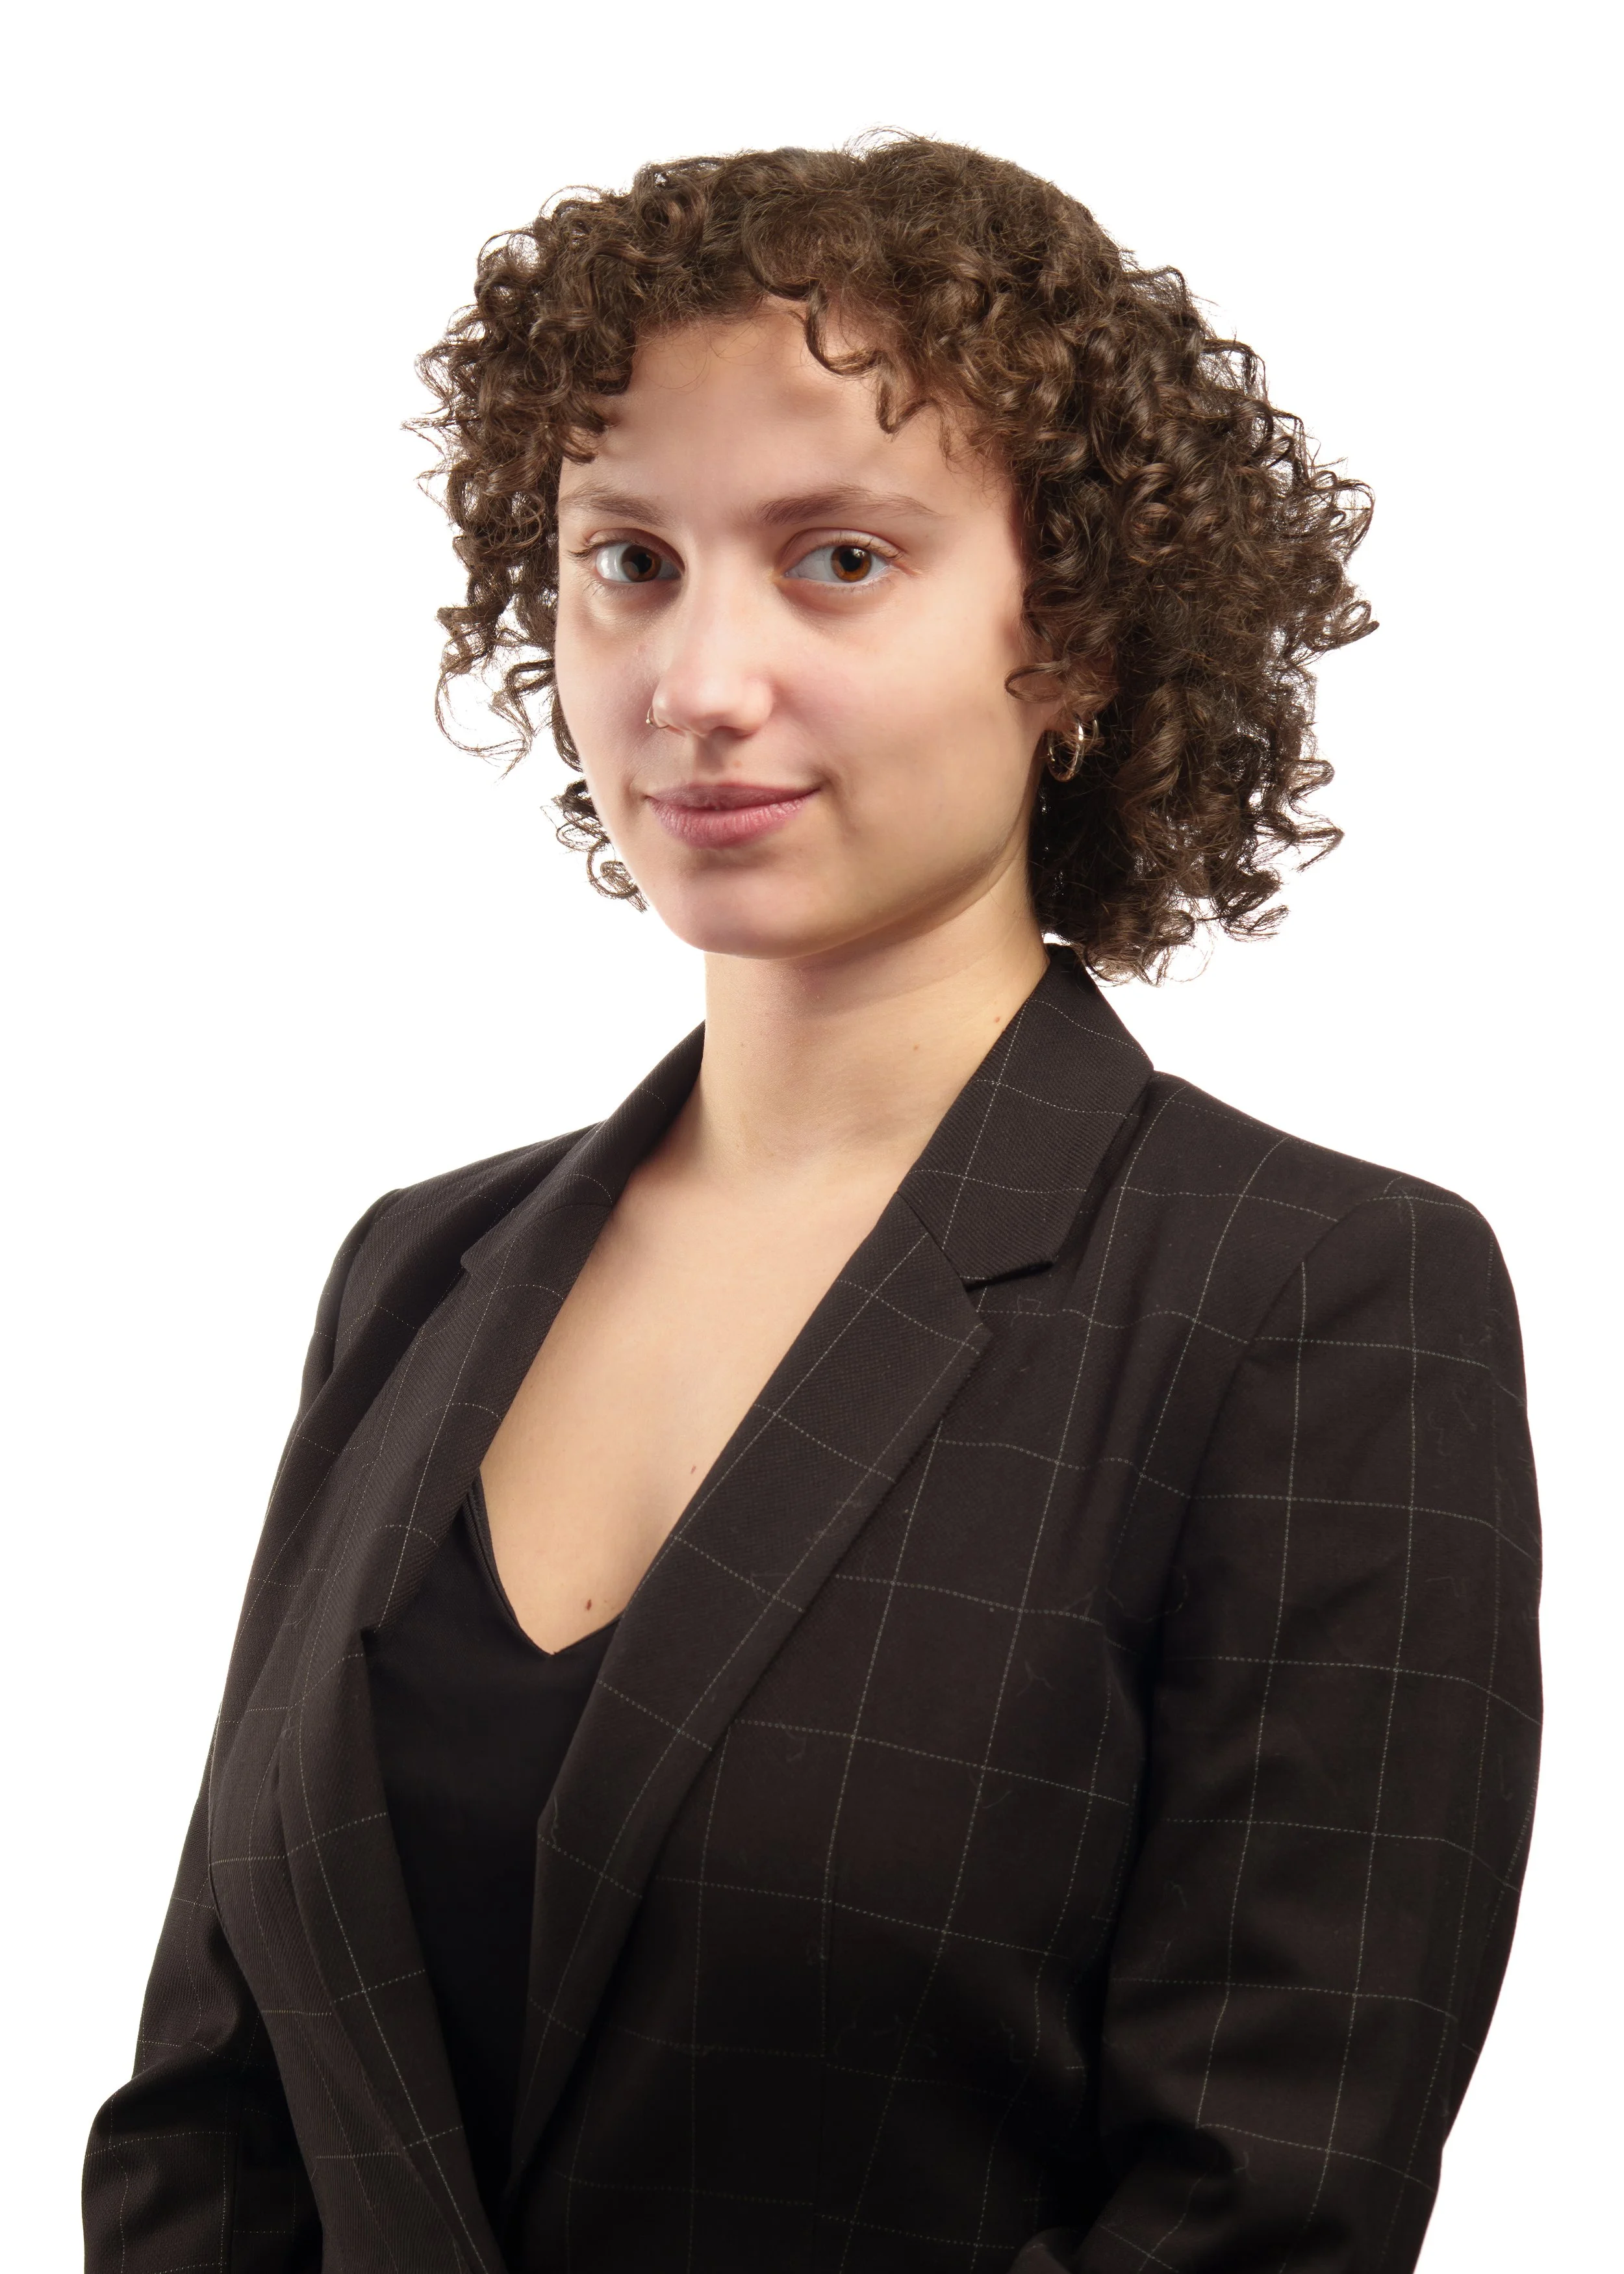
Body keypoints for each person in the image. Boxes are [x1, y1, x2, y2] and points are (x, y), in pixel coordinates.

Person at [82, 138, 1541, 2273]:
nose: (693, 682)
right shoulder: (417, 1271)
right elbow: (215, 2117)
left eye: (838, 558)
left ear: (1074, 636)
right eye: (627, 559)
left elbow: (1258, 2211)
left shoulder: (1314, 1303)